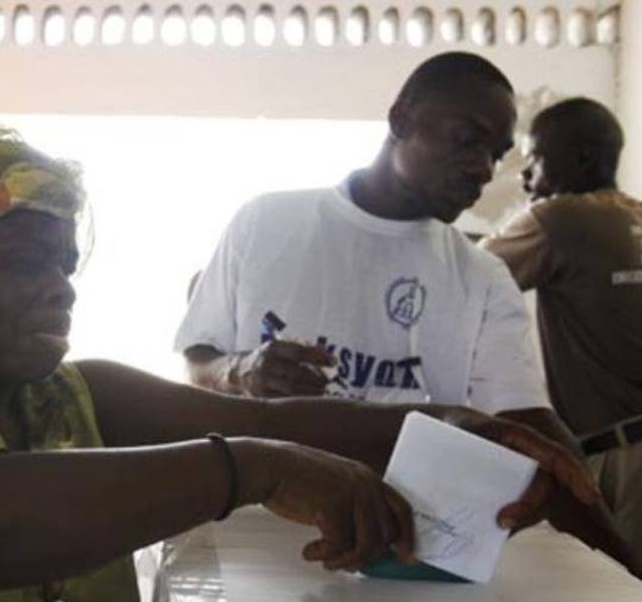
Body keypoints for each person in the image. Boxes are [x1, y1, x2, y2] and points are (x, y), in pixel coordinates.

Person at [0, 128, 598, 602]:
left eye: (68, 265)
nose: (63, 287)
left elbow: (309, 429)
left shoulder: (83, 395)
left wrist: (460, 425)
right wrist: (247, 469)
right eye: (29, 262)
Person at [174, 53, 640, 573]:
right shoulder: (264, 224)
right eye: (467, 140)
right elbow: (199, 358)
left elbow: (524, 421)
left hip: (402, 552)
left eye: (496, 152)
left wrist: (623, 560)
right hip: (251, 544)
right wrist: (241, 369)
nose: (484, 168)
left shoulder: (481, 276)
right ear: (400, 119)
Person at [481, 97, 642, 552]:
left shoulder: (560, 218)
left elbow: (465, 275)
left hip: (622, 457)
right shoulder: (632, 215)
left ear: (581, 160)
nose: (526, 177)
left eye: (535, 160)